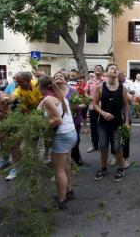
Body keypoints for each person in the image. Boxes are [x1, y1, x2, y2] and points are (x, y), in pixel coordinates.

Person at [38, 75, 77, 210]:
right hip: (71, 133)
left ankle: (61, 201)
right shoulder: (59, 95)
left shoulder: (49, 99)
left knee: (58, 169)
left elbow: (57, 120)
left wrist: (42, 123)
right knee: (66, 164)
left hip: (62, 135)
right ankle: (68, 191)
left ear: (40, 87)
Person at [2, 71, 43, 180]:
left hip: (37, 117)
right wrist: (7, 99)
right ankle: (16, 167)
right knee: (14, 145)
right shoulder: (18, 89)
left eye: (20, 82)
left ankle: (33, 165)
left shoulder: (36, 84)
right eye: (16, 81)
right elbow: (13, 96)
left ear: (28, 80)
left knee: (33, 143)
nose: (17, 84)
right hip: (23, 117)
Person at [93, 64, 129, 181]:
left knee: (118, 147)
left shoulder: (122, 87)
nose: (114, 70)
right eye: (111, 68)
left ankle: (120, 169)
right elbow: (94, 104)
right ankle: (103, 168)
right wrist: (103, 113)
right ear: (106, 73)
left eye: (116, 69)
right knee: (103, 146)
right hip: (103, 123)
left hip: (117, 122)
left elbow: (125, 105)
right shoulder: (100, 87)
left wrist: (127, 121)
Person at [53, 71, 83, 166]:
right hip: (59, 121)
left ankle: (76, 157)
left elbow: (81, 103)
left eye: (61, 76)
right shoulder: (53, 91)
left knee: (75, 140)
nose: (58, 77)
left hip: (74, 119)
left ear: (66, 80)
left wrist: (76, 107)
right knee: (60, 141)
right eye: (56, 76)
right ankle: (64, 161)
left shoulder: (72, 90)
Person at [86, 65, 106, 153]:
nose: (97, 69)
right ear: (93, 71)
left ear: (103, 71)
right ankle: (94, 145)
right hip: (92, 106)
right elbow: (85, 92)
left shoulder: (105, 80)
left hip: (103, 107)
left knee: (103, 126)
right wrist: (88, 98)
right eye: (96, 68)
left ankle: (104, 145)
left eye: (99, 69)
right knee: (93, 126)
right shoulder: (90, 81)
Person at [118, 71, 134, 169]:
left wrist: (124, 90)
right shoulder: (111, 84)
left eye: (121, 75)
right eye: (118, 75)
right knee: (114, 137)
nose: (120, 77)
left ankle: (125, 159)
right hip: (114, 114)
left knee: (125, 137)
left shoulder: (128, 83)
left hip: (125, 114)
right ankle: (116, 156)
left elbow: (131, 99)